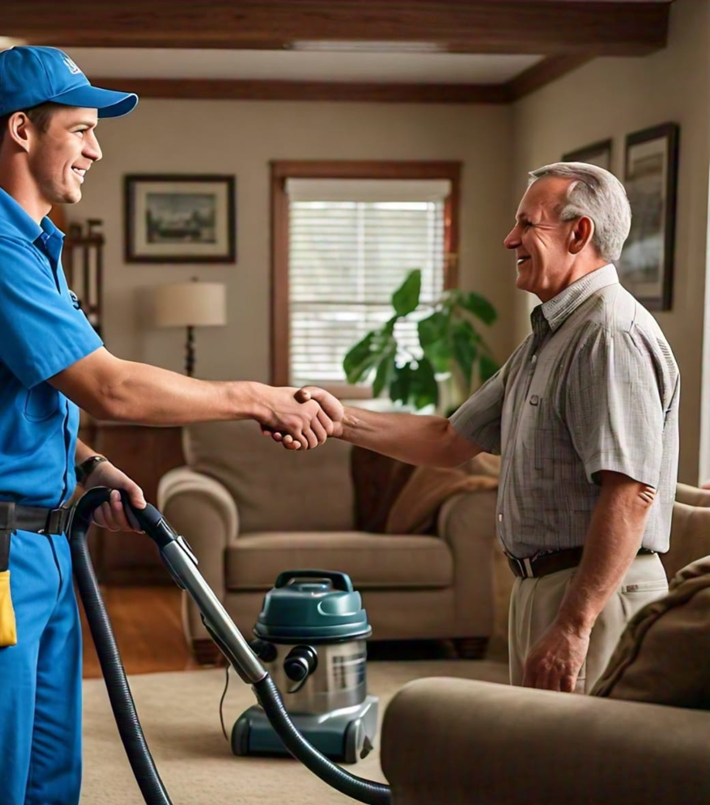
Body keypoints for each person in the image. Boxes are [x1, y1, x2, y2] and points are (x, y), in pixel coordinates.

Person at [0, 46, 332, 805]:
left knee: (47, 781)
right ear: (22, 131)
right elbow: (111, 387)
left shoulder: (21, 241)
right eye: (82, 130)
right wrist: (257, 397)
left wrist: (84, 463)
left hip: (33, 547)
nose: (95, 148)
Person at [289, 162, 679, 696]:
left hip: (593, 595)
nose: (509, 239)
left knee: (581, 772)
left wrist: (572, 624)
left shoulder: (609, 335)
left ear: (578, 232)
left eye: (526, 224)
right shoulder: (550, 336)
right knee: (535, 764)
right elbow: (451, 441)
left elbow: (631, 492)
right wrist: (340, 420)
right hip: (547, 588)